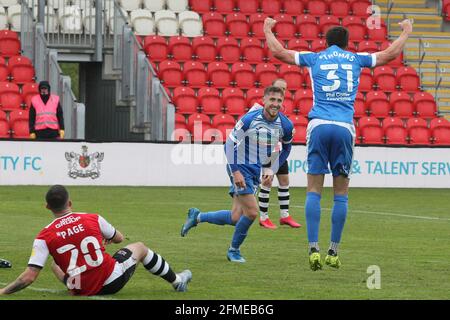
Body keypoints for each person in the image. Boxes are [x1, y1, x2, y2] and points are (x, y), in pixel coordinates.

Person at [264, 17, 413, 270]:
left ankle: (313, 248)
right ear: (347, 44)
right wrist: (406, 32)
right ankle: (333, 251)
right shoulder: (355, 59)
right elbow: (388, 55)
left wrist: (267, 28)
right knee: (341, 194)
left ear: (326, 42)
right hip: (344, 127)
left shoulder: (315, 58)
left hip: (319, 125)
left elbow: (278, 52)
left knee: (313, 190)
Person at [0, 185, 192, 296]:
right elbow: (119, 238)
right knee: (139, 247)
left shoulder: (44, 236)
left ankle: (74, 287)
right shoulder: (92, 218)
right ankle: (177, 281)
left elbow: (29, 276)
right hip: (109, 281)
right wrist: (103, 238)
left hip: (79, 286)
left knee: (54, 265)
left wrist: (3, 291)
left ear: (47, 206)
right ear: (70, 203)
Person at [180, 86, 294, 263]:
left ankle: (198, 217)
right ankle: (234, 250)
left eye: (279, 100)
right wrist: (236, 172)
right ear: (263, 100)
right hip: (240, 167)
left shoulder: (285, 125)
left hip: (255, 170)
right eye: (272, 100)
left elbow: (286, 148)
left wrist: (272, 168)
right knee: (252, 212)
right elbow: (229, 144)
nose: (275, 104)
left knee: (236, 217)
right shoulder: (249, 119)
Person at [249, 79, 301, 230]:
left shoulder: (281, 108)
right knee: (267, 181)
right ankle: (263, 217)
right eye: (280, 88)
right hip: (265, 150)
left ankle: (285, 216)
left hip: (277, 149)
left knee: (284, 180)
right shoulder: (259, 106)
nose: (283, 91)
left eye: (285, 89)